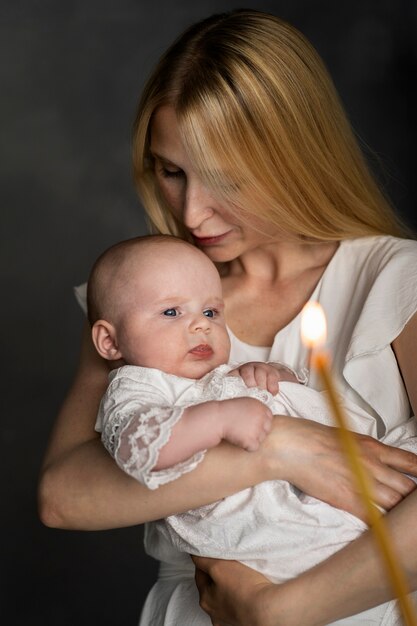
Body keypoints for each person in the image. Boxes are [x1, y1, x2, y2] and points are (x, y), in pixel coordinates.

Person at [38, 8, 417, 626]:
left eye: (226, 180)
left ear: (297, 158)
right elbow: (63, 496)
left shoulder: (396, 279)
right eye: (172, 171)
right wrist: (280, 450)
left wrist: (280, 609)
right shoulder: (143, 297)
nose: (192, 214)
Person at [87, 233, 417, 606]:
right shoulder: (137, 386)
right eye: (171, 312)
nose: (201, 326)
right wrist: (218, 419)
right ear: (110, 342)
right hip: (260, 528)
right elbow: (136, 445)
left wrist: (271, 374)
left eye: (211, 312)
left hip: (325, 487)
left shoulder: (219, 374)